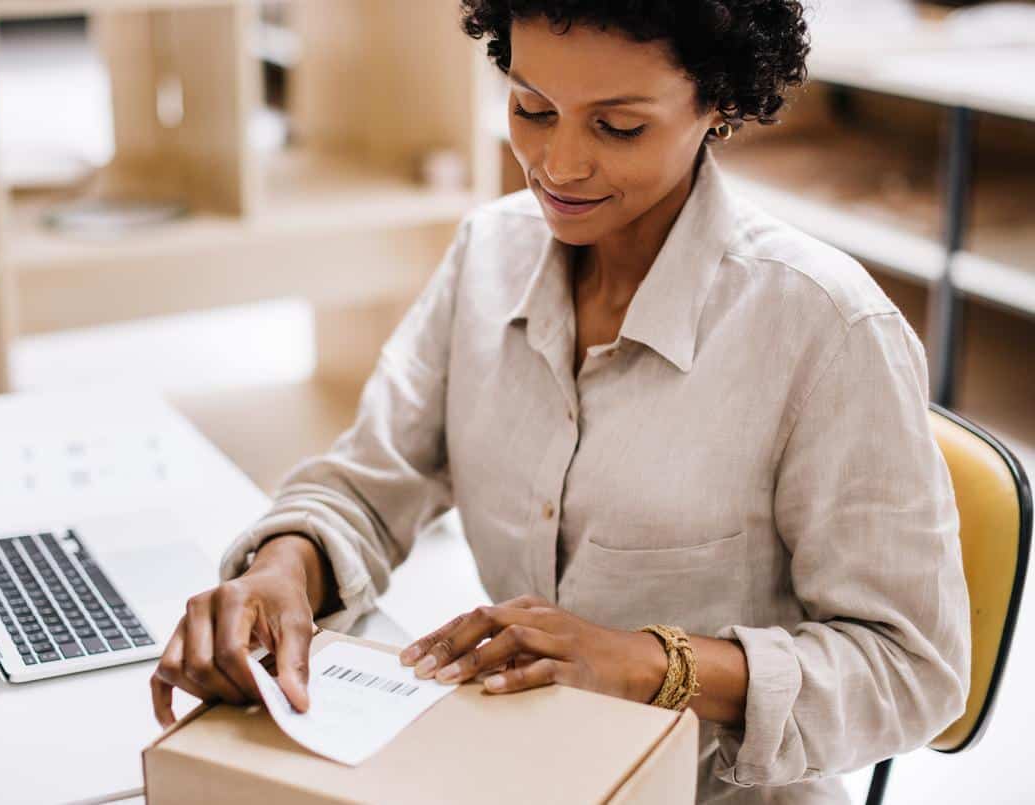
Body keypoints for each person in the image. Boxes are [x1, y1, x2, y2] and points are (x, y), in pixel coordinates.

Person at [151, 2, 971, 801]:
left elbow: (914, 670)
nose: (558, 164)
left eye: (618, 127)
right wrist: (278, 572)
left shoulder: (824, 329)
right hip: (506, 765)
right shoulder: (489, 255)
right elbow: (368, 481)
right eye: (532, 108)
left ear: (719, 101)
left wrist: (647, 662)